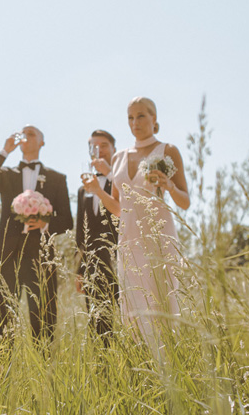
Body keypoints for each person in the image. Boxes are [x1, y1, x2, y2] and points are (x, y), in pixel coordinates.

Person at [84, 97, 189, 346]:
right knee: (133, 311)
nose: (135, 122)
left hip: (158, 236)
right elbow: (119, 209)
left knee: (162, 306)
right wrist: (98, 191)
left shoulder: (168, 150)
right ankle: (143, 374)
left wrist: (169, 185)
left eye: (141, 116)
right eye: (130, 117)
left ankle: (170, 370)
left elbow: (185, 201)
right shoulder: (119, 157)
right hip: (128, 240)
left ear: (154, 118)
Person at [0, 125, 73, 348]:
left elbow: (68, 221)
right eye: (23, 134)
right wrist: (5, 151)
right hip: (7, 254)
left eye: (32, 133)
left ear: (42, 142)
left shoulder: (56, 178)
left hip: (42, 257)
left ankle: (44, 375)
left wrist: (46, 223)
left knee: (44, 319)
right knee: (3, 318)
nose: (26, 137)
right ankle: (0, 375)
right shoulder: (6, 175)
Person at [75, 129, 119, 345]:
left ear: (114, 149)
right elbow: (80, 233)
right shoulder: (83, 190)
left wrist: (111, 173)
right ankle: (105, 371)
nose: (99, 150)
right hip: (92, 264)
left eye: (103, 145)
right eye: (94, 147)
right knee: (98, 323)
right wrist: (79, 270)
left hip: (122, 259)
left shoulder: (121, 179)